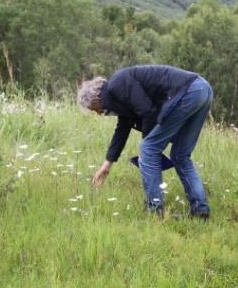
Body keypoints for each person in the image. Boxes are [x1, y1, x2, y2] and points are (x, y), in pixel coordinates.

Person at [77, 65, 213, 218]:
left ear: (95, 98)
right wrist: (107, 164)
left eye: (94, 109)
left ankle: (154, 211)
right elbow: (122, 129)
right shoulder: (118, 95)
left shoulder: (118, 83)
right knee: (180, 155)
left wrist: (147, 149)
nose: (98, 113)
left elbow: (147, 111)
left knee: (148, 149)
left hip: (189, 91)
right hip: (203, 90)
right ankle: (200, 212)